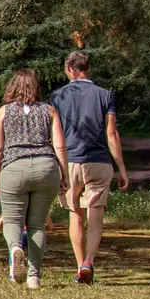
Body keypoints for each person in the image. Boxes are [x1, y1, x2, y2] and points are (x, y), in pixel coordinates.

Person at [49, 50, 130, 284]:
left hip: (70, 161)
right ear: (87, 68)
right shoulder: (105, 95)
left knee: (75, 213)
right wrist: (122, 169)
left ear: (69, 68)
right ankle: (89, 262)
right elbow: (111, 132)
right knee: (96, 213)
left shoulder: (57, 97)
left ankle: (78, 264)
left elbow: (53, 135)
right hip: (99, 161)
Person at [0, 68, 69, 290]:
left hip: (14, 169)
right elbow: (60, 145)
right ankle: (34, 277)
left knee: (13, 220)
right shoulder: (49, 111)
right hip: (46, 168)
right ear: (36, 86)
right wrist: (65, 175)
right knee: (37, 225)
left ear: (12, 86)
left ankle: (15, 248)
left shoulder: (4, 112)